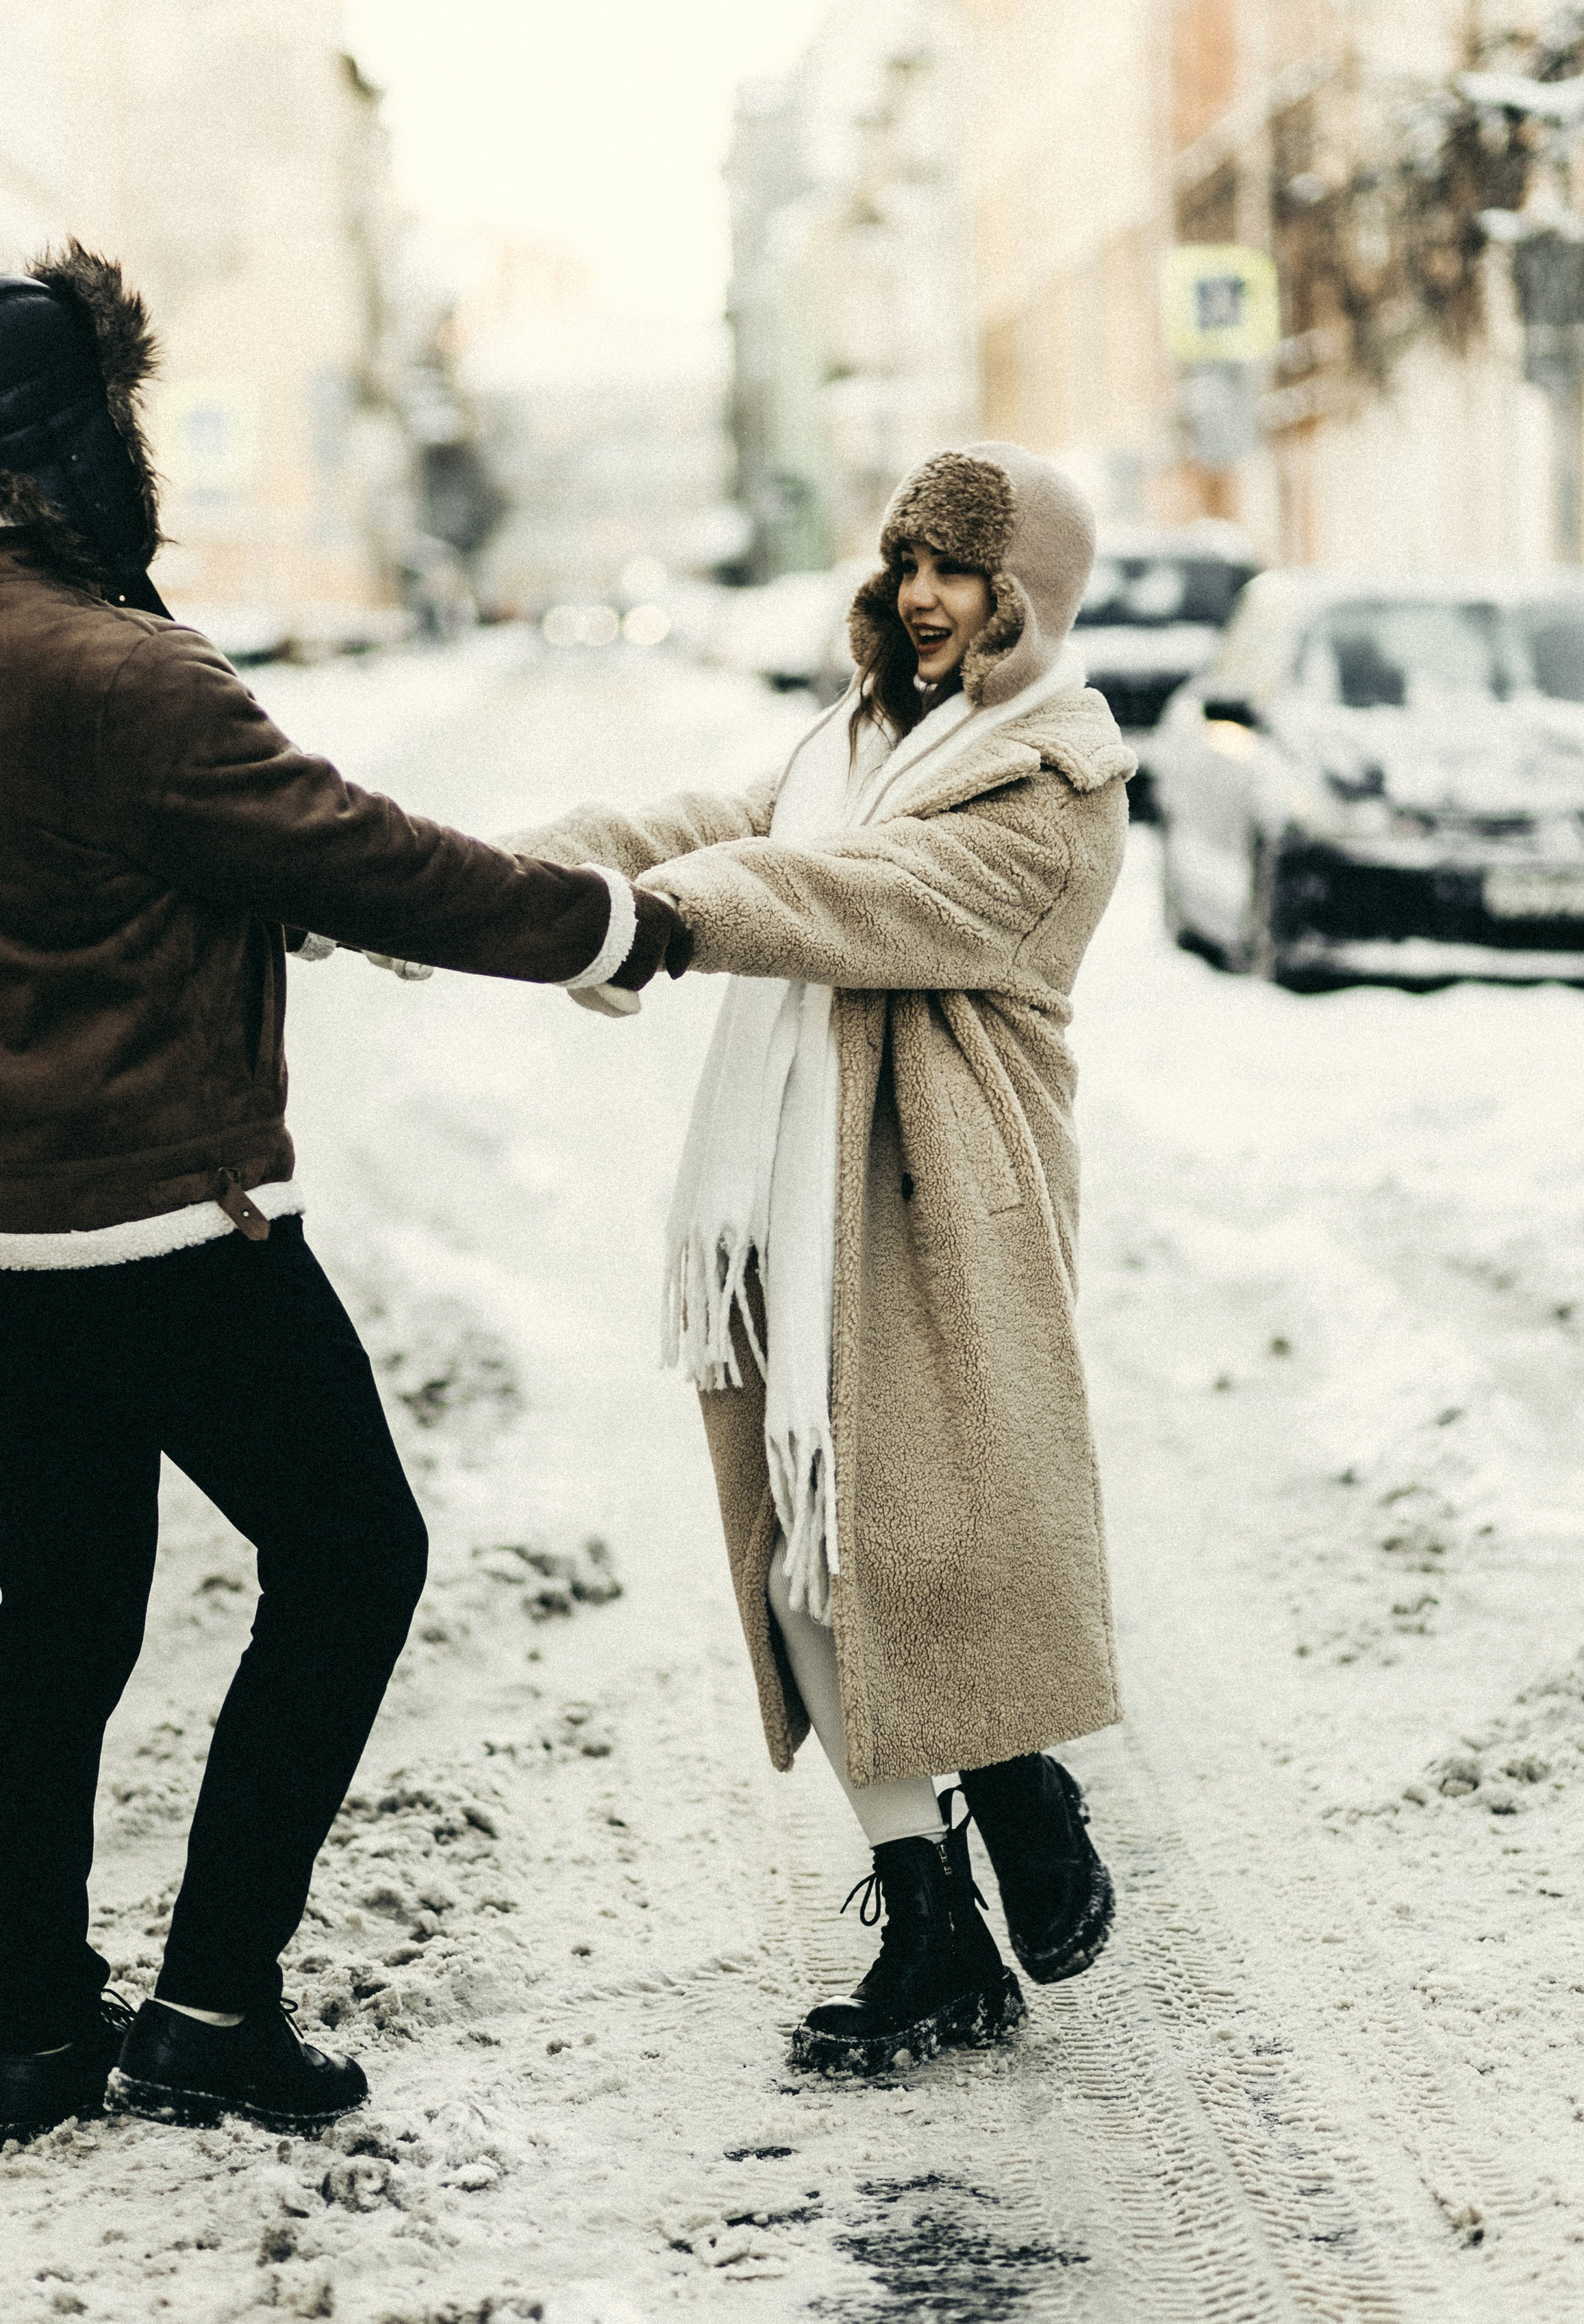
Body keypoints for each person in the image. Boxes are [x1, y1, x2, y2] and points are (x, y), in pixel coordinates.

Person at [0, 242, 686, 2152]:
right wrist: (614, 924)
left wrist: (226, 903)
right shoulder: (130, 672)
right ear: (77, 441)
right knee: (355, 1556)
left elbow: (58, 887)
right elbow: (372, 856)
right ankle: (211, 2005)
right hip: (164, 1224)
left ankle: (34, 2036)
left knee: (60, 1613)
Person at [514, 443, 1130, 2075]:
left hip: (937, 1214)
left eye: (958, 570)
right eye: (906, 561)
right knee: (801, 1557)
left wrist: (653, 920)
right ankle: (930, 1918)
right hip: (788, 1198)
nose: (920, 596)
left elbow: (844, 890)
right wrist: (500, 878)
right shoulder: (853, 738)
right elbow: (719, 821)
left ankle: (1010, 1776)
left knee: (921, 1553)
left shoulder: (1053, 790)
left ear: (1025, 597)